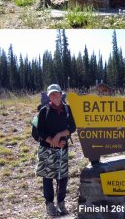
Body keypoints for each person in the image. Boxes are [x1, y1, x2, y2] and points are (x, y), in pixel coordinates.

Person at [36, 84, 76, 217]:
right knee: (47, 178)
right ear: (49, 96)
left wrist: (59, 136)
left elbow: (72, 127)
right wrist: (52, 141)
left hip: (62, 148)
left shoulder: (67, 109)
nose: (54, 96)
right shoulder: (44, 110)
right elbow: (40, 130)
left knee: (62, 177)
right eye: (51, 94)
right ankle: (49, 204)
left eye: (56, 93)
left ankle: (61, 203)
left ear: (61, 94)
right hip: (46, 148)